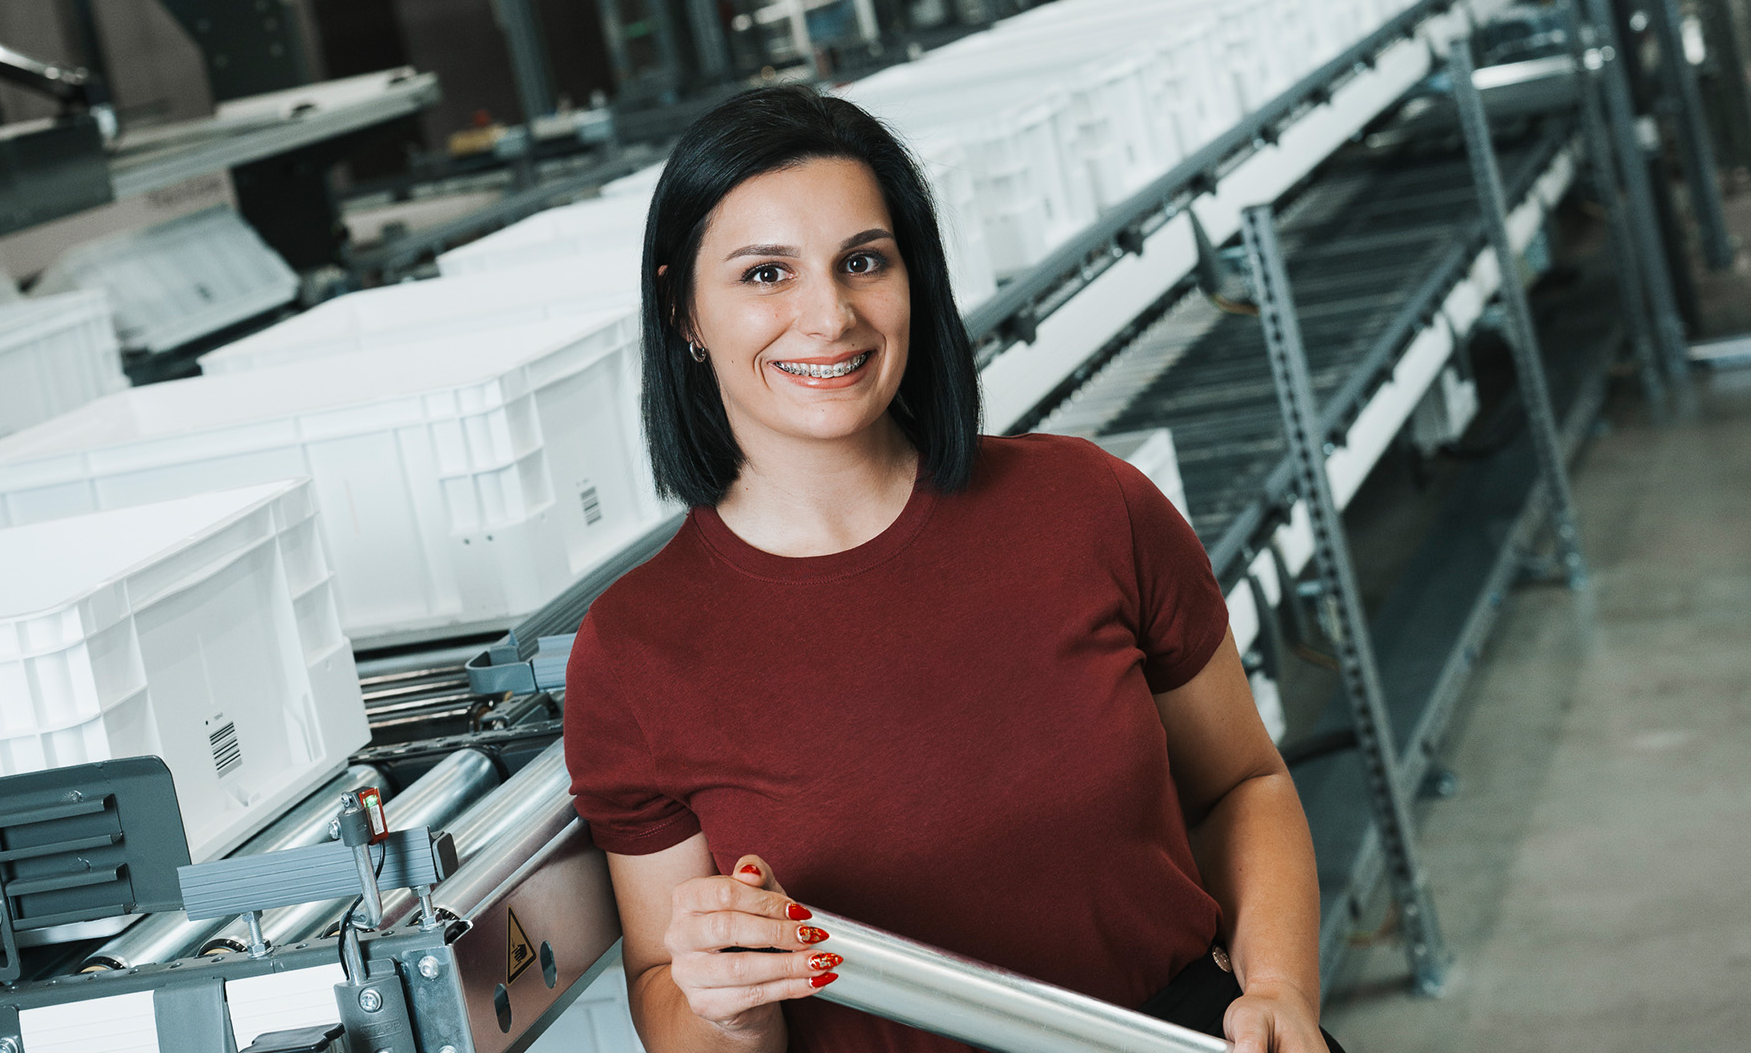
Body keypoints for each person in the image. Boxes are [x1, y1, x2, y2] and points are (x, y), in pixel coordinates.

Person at [564, 84, 1339, 1053]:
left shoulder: (1089, 507)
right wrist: (733, 1007)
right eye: (766, 275)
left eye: (863, 262)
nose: (828, 315)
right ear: (684, 307)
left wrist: (1276, 989)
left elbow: (1242, 786)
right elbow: (664, 991)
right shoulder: (638, 650)